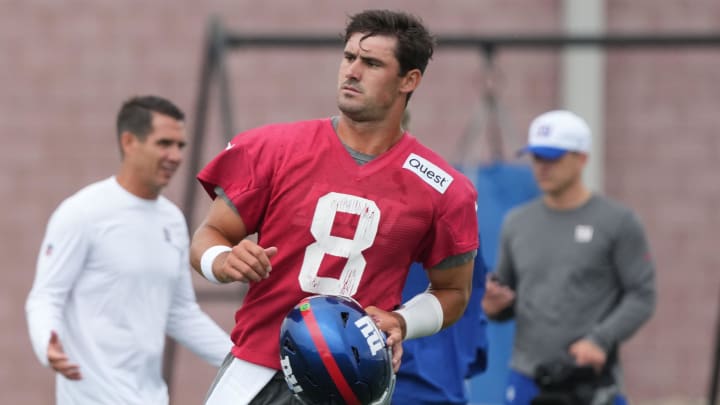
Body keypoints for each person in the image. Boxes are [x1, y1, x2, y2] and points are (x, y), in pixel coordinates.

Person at [189, 9, 480, 404]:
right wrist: (222, 261)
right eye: (349, 58)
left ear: (409, 80)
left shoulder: (443, 188)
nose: (353, 71)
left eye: (372, 63)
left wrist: (402, 321)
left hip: (354, 384)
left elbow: (454, 291)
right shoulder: (273, 149)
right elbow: (208, 236)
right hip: (259, 369)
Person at [25, 95, 231, 405]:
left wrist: (240, 361)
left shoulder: (172, 219)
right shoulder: (82, 212)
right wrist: (46, 343)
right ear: (129, 141)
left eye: (180, 146)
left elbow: (181, 313)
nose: (175, 156)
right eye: (164, 143)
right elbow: (45, 295)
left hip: (151, 398)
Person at [481, 110, 656, 405]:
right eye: (537, 158)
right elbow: (507, 296)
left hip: (591, 381)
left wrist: (600, 339)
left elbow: (642, 295)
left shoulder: (617, 222)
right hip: (527, 377)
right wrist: (494, 307)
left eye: (553, 158)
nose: (543, 167)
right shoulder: (516, 222)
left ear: (582, 158)